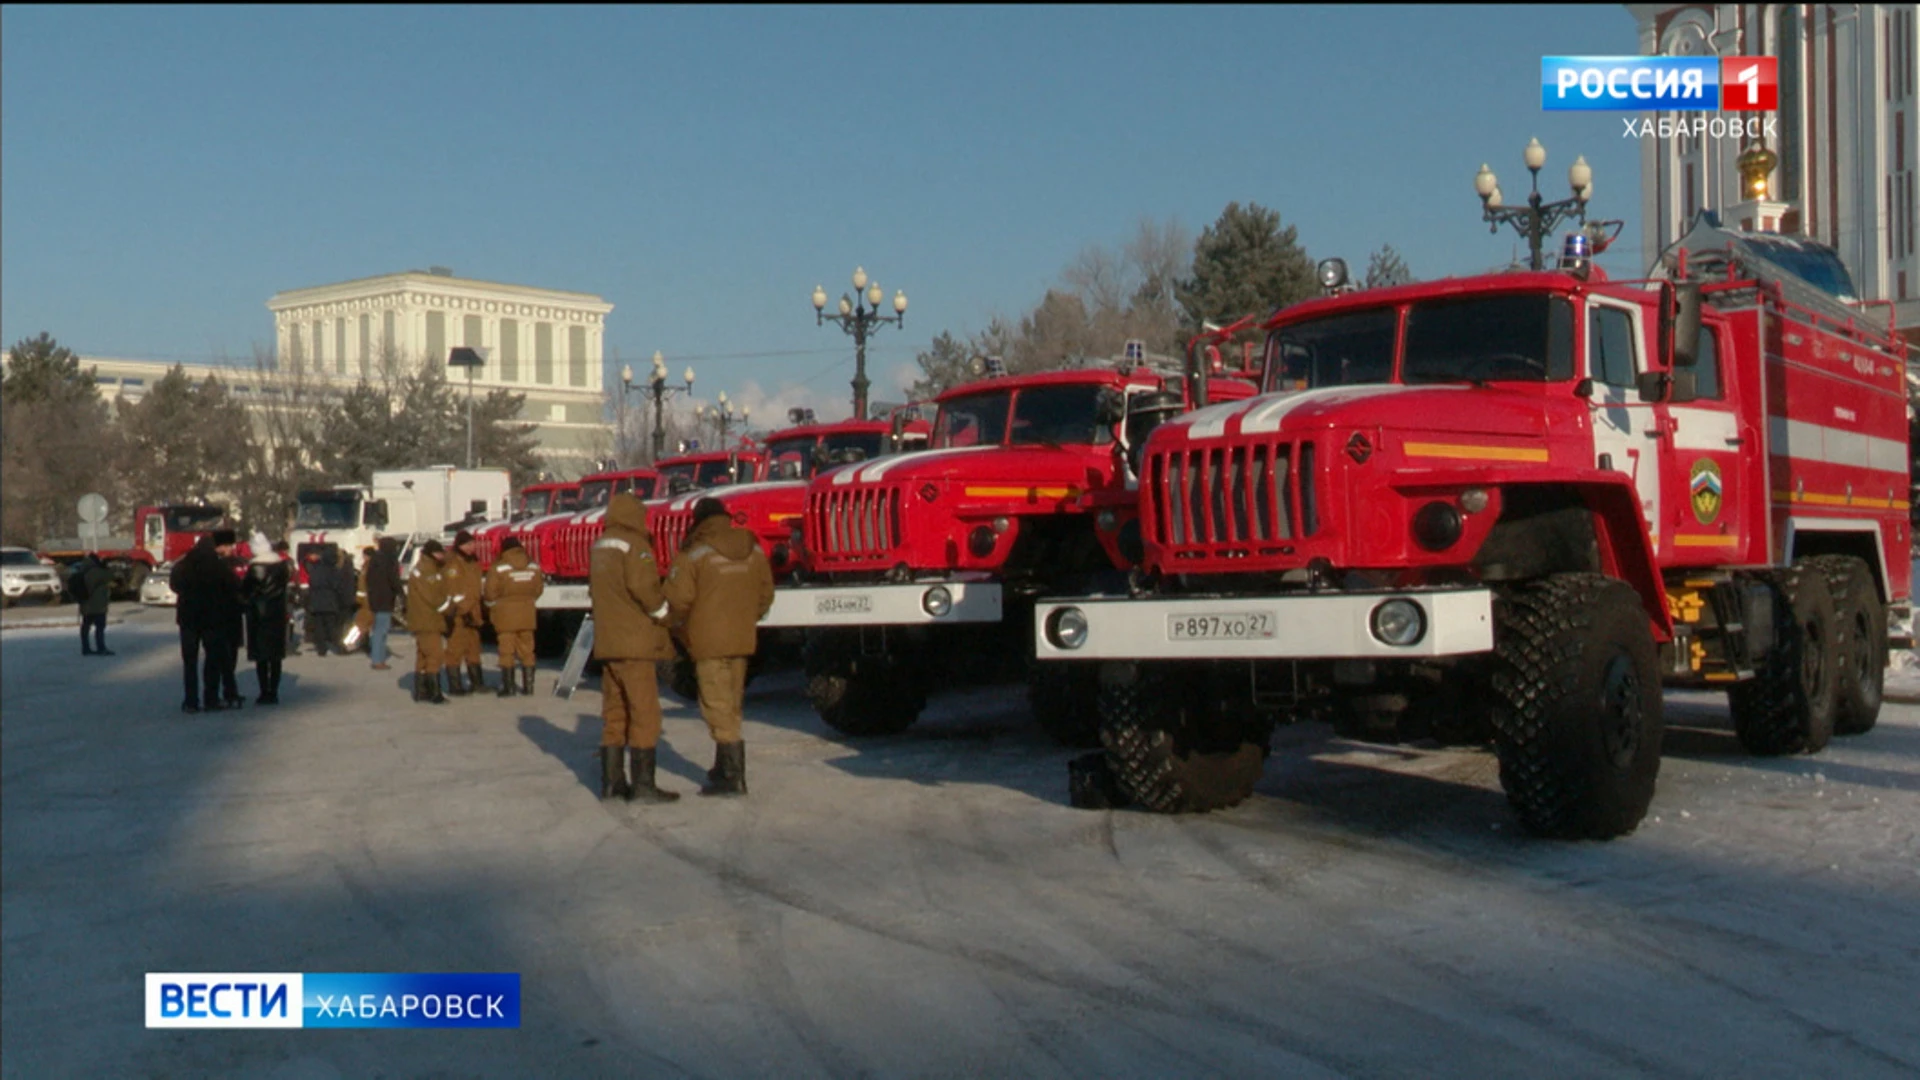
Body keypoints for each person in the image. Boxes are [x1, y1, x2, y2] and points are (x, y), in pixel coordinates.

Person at [663, 497, 774, 797]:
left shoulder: (694, 550)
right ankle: (722, 766)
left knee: (716, 705)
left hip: (708, 640)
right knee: (732, 703)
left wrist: (675, 627)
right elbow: (766, 592)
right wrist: (749, 617)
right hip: (742, 638)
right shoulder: (751, 546)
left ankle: (733, 777)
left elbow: (679, 598)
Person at [587, 492, 678, 802]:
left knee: (614, 712)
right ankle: (643, 786)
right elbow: (644, 587)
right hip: (634, 643)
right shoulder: (635, 545)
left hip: (608, 642)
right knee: (644, 713)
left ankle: (612, 783)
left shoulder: (600, 545)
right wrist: (665, 614)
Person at [169, 529, 241, 713]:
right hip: (212, 618)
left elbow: (174, 586)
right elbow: (233, 587)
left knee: (190, 662)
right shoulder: (218, 566)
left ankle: (191, 701)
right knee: (212, 659)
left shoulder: (183, 565)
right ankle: (211, 698)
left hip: (188, 619)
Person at [482, 535, 544, 697]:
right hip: (527, 614)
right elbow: (538, 590)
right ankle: (528, 687)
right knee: (528, 651)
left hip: (505, 615)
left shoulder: (499, 568)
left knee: (506, 651)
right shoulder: (533, 566)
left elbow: (489, 592)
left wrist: (493, 605)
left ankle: (509, 688)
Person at [240, 532, 291, 704]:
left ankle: (264, 691)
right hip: (277, 614)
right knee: (275, 657)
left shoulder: (255, 568)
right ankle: (274, 691)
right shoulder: (281, 566)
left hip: (258, 615)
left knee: (261, 657)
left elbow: (246, 591)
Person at [405, 539, 453, 703]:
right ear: (432, 554)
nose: (442, 556)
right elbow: (433, 597)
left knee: (423, 655)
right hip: (428, 620)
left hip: (422, 619)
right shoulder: (427, 571)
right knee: (435, 654)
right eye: (440, 553)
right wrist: (448, 609)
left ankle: (421, 690)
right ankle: (434, 693)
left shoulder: (427, 568)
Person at [442, 530, 487, 694]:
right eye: (467, 544)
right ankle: (455, 686)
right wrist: (462, 609)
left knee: (474, 649)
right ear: (459, 545)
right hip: (459, 614)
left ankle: (477, 683)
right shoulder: (453, 563)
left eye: (473, 543)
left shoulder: (473, 562)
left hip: (473, 613)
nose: (471, 547)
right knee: (455, 649)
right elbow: (452, 590)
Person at [366, 537, 404, 671]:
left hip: (375, 599)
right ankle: (378, 660)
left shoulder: (374, 560)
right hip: (385, 598)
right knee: (381, 630)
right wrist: (401, 593)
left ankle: (378, 657)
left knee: (379, 629)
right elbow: (394, 579)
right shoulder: (389, 560)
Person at [303, 548, 347, 657]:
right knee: (332, 626)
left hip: (316, 600)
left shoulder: (315, 569)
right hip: (330, 600)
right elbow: (337, 586)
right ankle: (339, 647)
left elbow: (311, 582)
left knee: (319, 626)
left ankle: (321, 649)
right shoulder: (333, 570)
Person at [77, 552, 115, 656]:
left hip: (85, 604)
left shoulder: (82, 570)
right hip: (97, 605)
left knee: (85, 627)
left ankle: (85, 648)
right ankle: (101, 648)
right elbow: (110, 576)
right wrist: (105, 567)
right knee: (100, 627)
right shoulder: (97, 571)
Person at [348, 546, 376, 653]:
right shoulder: (377, 566)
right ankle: (367, 644)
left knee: (359, 624)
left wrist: (358, 599)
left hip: (365, 602)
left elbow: (362, 585)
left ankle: (349, 643)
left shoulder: (366, 568)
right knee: (369, 625)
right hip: (373, 601)